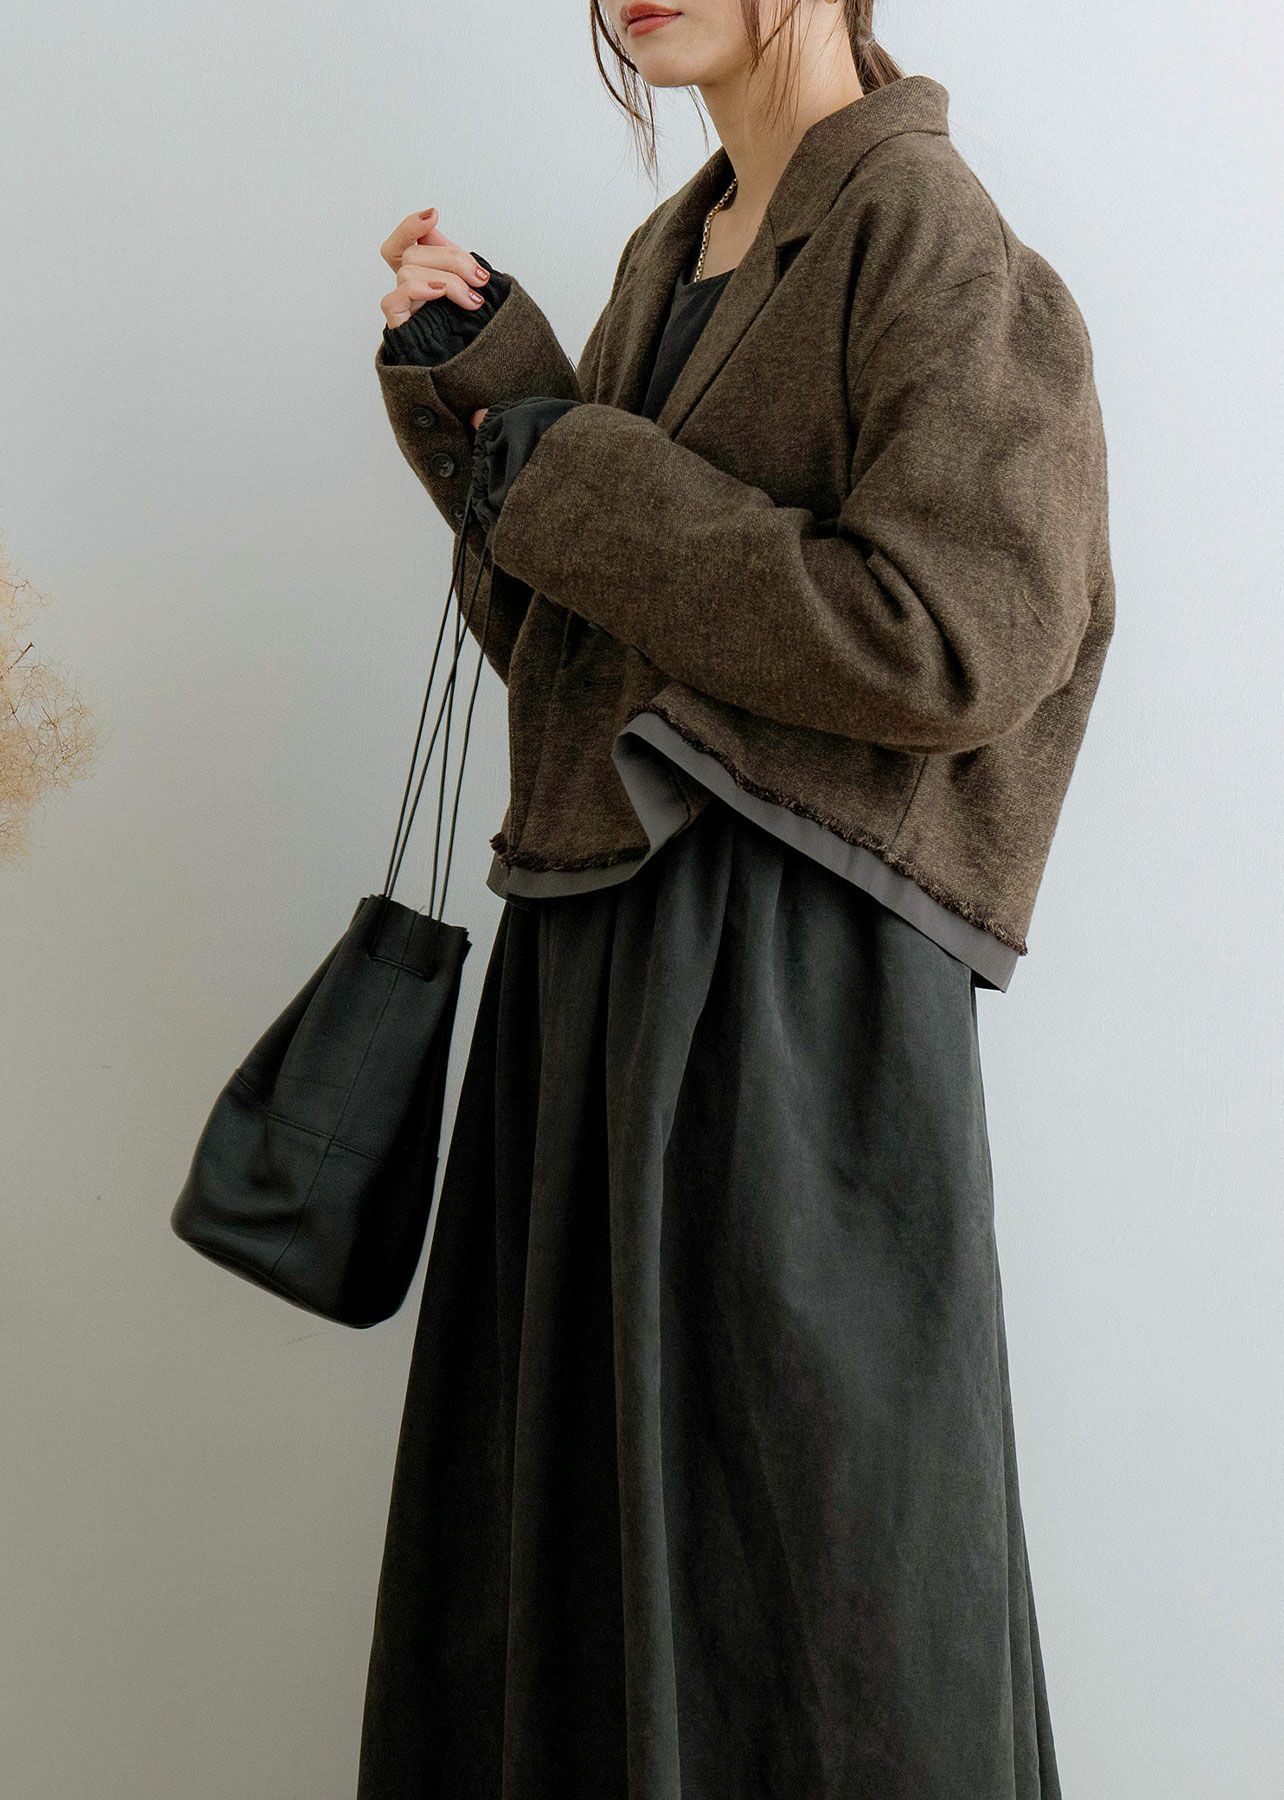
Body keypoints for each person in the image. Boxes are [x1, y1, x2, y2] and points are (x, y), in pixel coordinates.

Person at [360, 4, 1113, 1796]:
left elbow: (952, 639)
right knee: (574, 1561)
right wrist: (490, 390)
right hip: (595, 958)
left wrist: (578, 469)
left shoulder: (925, 229)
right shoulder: (676, 250)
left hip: (788, 993)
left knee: (814, 1578)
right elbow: (595, 654)